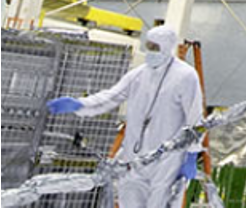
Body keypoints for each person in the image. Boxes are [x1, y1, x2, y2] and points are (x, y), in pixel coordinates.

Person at [46, 24, 204, 208]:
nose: (150, 51)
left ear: (166, 47)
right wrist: (80, 104)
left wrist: (192, 154)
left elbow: (195, 118)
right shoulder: (138, 75)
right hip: (133, 160)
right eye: (148, 45)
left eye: (155, 47)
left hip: (167, 163)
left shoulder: (185, 76)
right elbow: (110, 97)